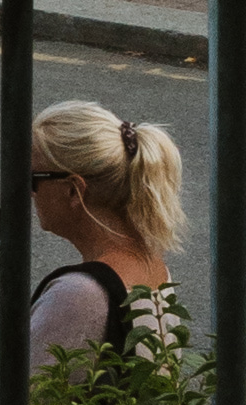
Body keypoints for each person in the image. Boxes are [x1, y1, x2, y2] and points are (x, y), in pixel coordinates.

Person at [26, 101, 182, 367]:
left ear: (74, 190)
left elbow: (17, 402)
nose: (30, 192)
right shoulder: (155, 268)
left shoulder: (78, 295)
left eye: (34, 179)